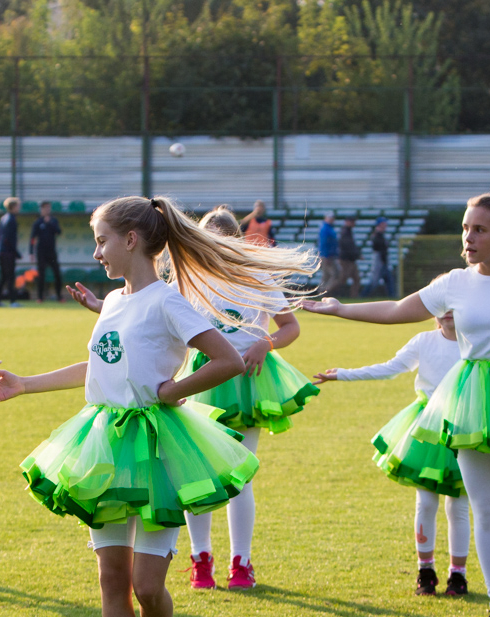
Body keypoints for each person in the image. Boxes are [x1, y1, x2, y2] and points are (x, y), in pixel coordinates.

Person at [0, 195, 313, 617]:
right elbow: (101, 364)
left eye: (102, 239)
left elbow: (226, 359)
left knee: (148, 585)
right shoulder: (112, 301)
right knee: (112, 579)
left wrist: (172, 391)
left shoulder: (169, 302)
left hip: (157, 448)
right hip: (105, 444)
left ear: (131, 240)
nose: (97, 250)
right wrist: (26, 384)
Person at [302, 192, 490, 617]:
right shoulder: (455, 282)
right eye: (464, 228)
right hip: (470, 396)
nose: (468, 237)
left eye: (478, 229)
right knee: (483, 505)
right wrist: (341, 310)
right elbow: (400, 310)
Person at [69, 207, 317, 591]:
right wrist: (101, 307)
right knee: (192, 472)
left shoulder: (257, 277)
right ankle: (201, 558)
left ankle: (241, 561)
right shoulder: (185, 280)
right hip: (197, 379)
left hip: (246, 381)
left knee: (238, 475)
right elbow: (148, 315)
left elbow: (290, 327)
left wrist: (263, 345)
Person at [313, 311, 468, 596]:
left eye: (453, 305)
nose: (447, 312)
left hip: (465, 427)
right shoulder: (424, 341)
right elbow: (391, 367)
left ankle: (458, 574)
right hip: (426, 430)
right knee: (426, 500)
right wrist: (343, 375)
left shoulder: (474, 342)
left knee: (458, 504)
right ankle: (426, 570)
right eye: (441, 305)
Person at [30, 201, 64, 302]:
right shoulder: (38, 222)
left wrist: (49, 223)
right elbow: (32, 238)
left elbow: (58, 231)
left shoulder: (53, 220)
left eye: (48, 208)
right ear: (41, 209)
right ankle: (40, 297)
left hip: (51, 252)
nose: (47, 210)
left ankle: (59, 296)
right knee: (41, 275)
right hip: (41, 252)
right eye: (45, 208)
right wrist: (31, 252)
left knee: (57, 274)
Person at [0, 197, 22, 307]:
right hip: (7, 253)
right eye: (17, 206)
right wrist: (16, 252)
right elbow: (7, 239)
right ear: (13, 207)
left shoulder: (3, 218)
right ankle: (12, 301)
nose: (19, 208)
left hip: (1, 252)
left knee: (4, 277)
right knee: (10, 277)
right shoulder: (11, 220)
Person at [366, 220, 394, 297]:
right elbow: (378, 247)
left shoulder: (381, 235)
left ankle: (392, 296)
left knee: (389, 280)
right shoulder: (377, 235)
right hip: (379, 260)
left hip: (383, 260)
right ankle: (363, 295)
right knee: (374, 281)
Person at [337, 217, 362, 298]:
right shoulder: (345, 232)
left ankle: (354, 296)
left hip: (350, 259)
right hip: (347, 260)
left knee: (356, 278)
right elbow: (348, 247)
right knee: (343, 279)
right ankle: (329, 291)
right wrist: (356, 255)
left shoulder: (347, 232)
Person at [316, 212, 340, 295]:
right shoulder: (326, 229)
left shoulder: (328, 228)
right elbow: (324, 243)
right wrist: (326, 255)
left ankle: (322, 291)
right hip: (327, 256)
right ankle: (324, 291)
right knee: (333, 275)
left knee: (326, 275)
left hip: (329, 255)